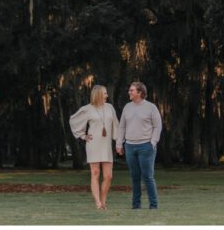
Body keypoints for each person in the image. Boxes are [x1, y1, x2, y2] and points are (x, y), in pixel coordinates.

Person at [69, 84, 119, 210]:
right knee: (95, 173)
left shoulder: (110, 107)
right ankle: (98, 203)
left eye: (107, 93)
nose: (107, 95)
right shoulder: (88, 109)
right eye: (105, 93)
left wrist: (118, 140)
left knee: (108, 176)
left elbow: (116, 125)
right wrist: (82, 135)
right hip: (93, 144)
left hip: (106, 145)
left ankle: (103, 200)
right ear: (97, 94)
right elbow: (73, 120)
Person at [115, 80, 162, 210]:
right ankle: (136, 206)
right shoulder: (127, 107)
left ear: (140, 92)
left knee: (147, 177)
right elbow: (122, 127)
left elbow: (157, 126)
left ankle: (153, 206)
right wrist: (119, 144)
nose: (129, 92)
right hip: (130, 146)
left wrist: (152, 143)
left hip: (146, 147)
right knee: (135, 177)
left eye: (132, 90)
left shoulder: (151, 107)